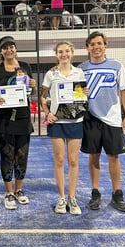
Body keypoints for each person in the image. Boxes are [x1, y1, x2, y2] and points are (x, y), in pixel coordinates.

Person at [78, 31, 125, 213]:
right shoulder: (81, 68)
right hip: (90, 119)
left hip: (113, 120)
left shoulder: (116, 66)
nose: (96, 47)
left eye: (99, 43)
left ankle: (117, 193)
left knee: (113, 157)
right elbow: (75, 91)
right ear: (88, 48)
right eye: (92, 44)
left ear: (105, 46)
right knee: (93, 156)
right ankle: (95, 193)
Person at [0, 36, 37, 210]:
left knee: (22, 156)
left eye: (11, 47)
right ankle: (9, 192)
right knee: (7, 155)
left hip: (23, 118)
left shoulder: (25, 67)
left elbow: (31, 90)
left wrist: (33, 84)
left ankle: (19, 190)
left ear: (15, 48)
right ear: (1, 51)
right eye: (5, 48)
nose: (9, 50)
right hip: (4, 120)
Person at [40, 41, 87, 215]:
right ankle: (61, 198)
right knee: (60, 160)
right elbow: (42, 97)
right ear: (56, 54)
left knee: (73, 160)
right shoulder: (51, 74)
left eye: (67, 51)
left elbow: (80, 95)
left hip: (75, 122)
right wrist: (47, 112)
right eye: (60, 52)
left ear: (72, 53)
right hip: (57, 123)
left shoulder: (79, 72)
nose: (64, 54)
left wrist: (84, 94)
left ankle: (72, 198)